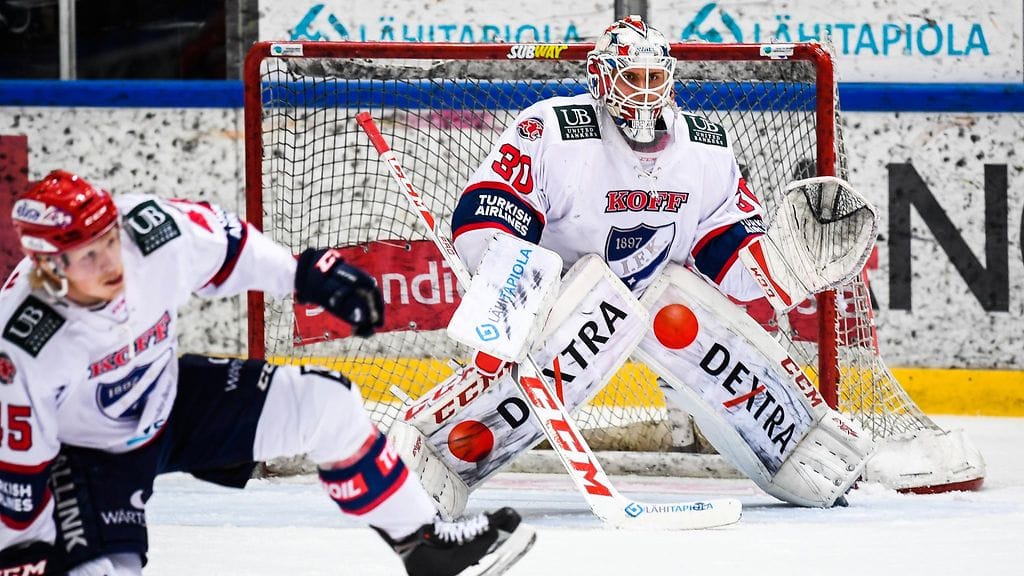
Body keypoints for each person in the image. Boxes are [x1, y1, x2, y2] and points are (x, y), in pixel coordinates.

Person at [0, 171, 535, 576]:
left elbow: (234, 250)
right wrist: (21, 548)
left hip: (170, 397)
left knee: (327, 404)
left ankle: (423, 542)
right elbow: (19, 465)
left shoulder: (150, 232)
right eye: (89, 256)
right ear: (50, 266)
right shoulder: (24, 340)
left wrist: (307, 277)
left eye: (109, 241)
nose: (112, 262)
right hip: (89, 457)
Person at [453, 14, 766, 310]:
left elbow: (731, 259)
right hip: (558, 314)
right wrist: (516, 294)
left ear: (668, 79)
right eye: (630, 76)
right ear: (601, 77)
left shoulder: (705, 145)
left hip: (661, 316)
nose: (645, 92)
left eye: (654, 76)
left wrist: (781, 265)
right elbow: (489, 216)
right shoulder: (552, 129)